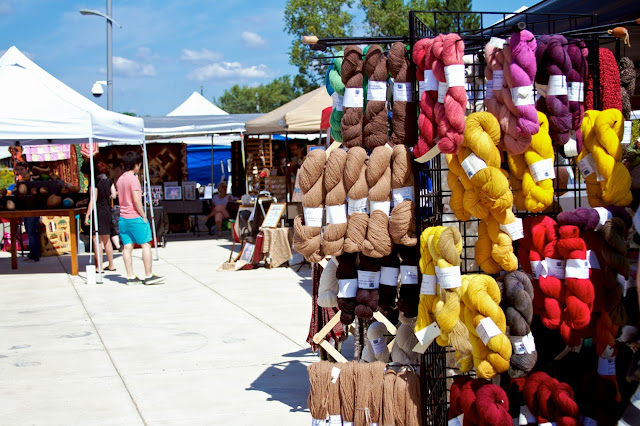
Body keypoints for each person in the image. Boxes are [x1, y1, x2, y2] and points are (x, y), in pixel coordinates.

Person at [116, 151, 164, 285]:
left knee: (127, 247)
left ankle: (130, 276)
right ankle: (148, 275)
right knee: (146, 244)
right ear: (136, 165)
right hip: (134, 216)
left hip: (123, 217)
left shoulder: (120, 179)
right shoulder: (134, 179)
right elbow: (137, 201)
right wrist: (144, 216)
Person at [82, 161, 116, 272]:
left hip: (98, 212)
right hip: (107, 211)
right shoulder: (108, 181)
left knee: (97, 240)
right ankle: (111, 265)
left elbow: (93, 200)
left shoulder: (95, 182)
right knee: (107, 240)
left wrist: (87, 215)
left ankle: (99, 266)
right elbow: (114, 195)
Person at [13, 161, 40, 262]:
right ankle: (32, 254)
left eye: (21, 169)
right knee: (29, 231)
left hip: (33, 208)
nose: (20, 171)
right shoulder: (20, 180)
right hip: (25, 208)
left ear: (27, 169)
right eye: (18, 170)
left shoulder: (33, 179)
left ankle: (34, 256)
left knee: (32, 231)